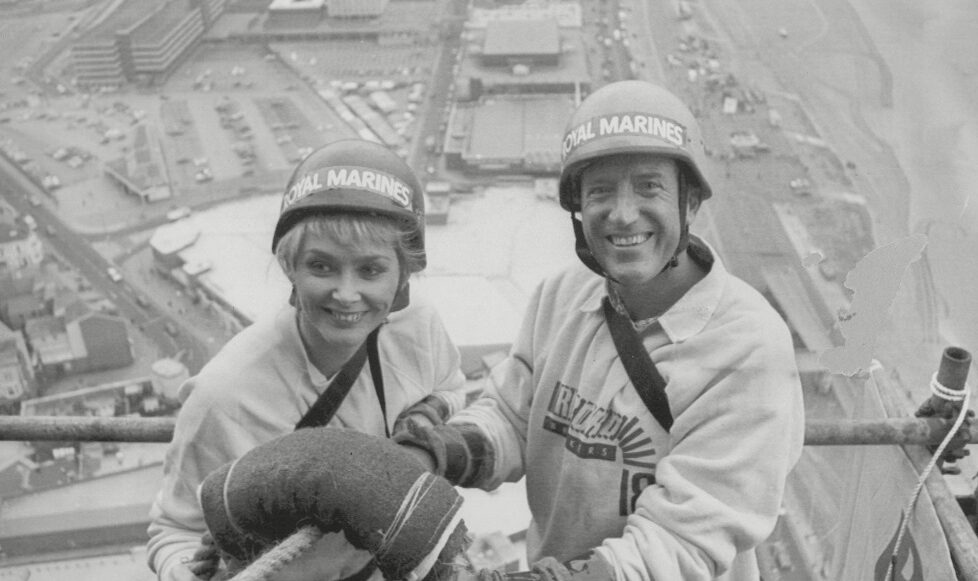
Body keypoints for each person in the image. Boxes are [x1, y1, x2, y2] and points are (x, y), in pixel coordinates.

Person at [395, 80, 806, 581]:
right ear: (577, 209)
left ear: (690, 201)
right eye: (601, 191)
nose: (623, 213)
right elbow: (510, 415)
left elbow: (686, 535)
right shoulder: (562, 295)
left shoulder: (747, 347)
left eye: (649, 187)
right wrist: (435, 454)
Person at [146, 139, 469, 581]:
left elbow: (451, 390)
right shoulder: (224, 394)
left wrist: (418, 430)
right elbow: (175, 529)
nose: (346, 293)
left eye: (371, 270)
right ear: (289, 267)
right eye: (322, 266)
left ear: (403, 276)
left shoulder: (418, 330)